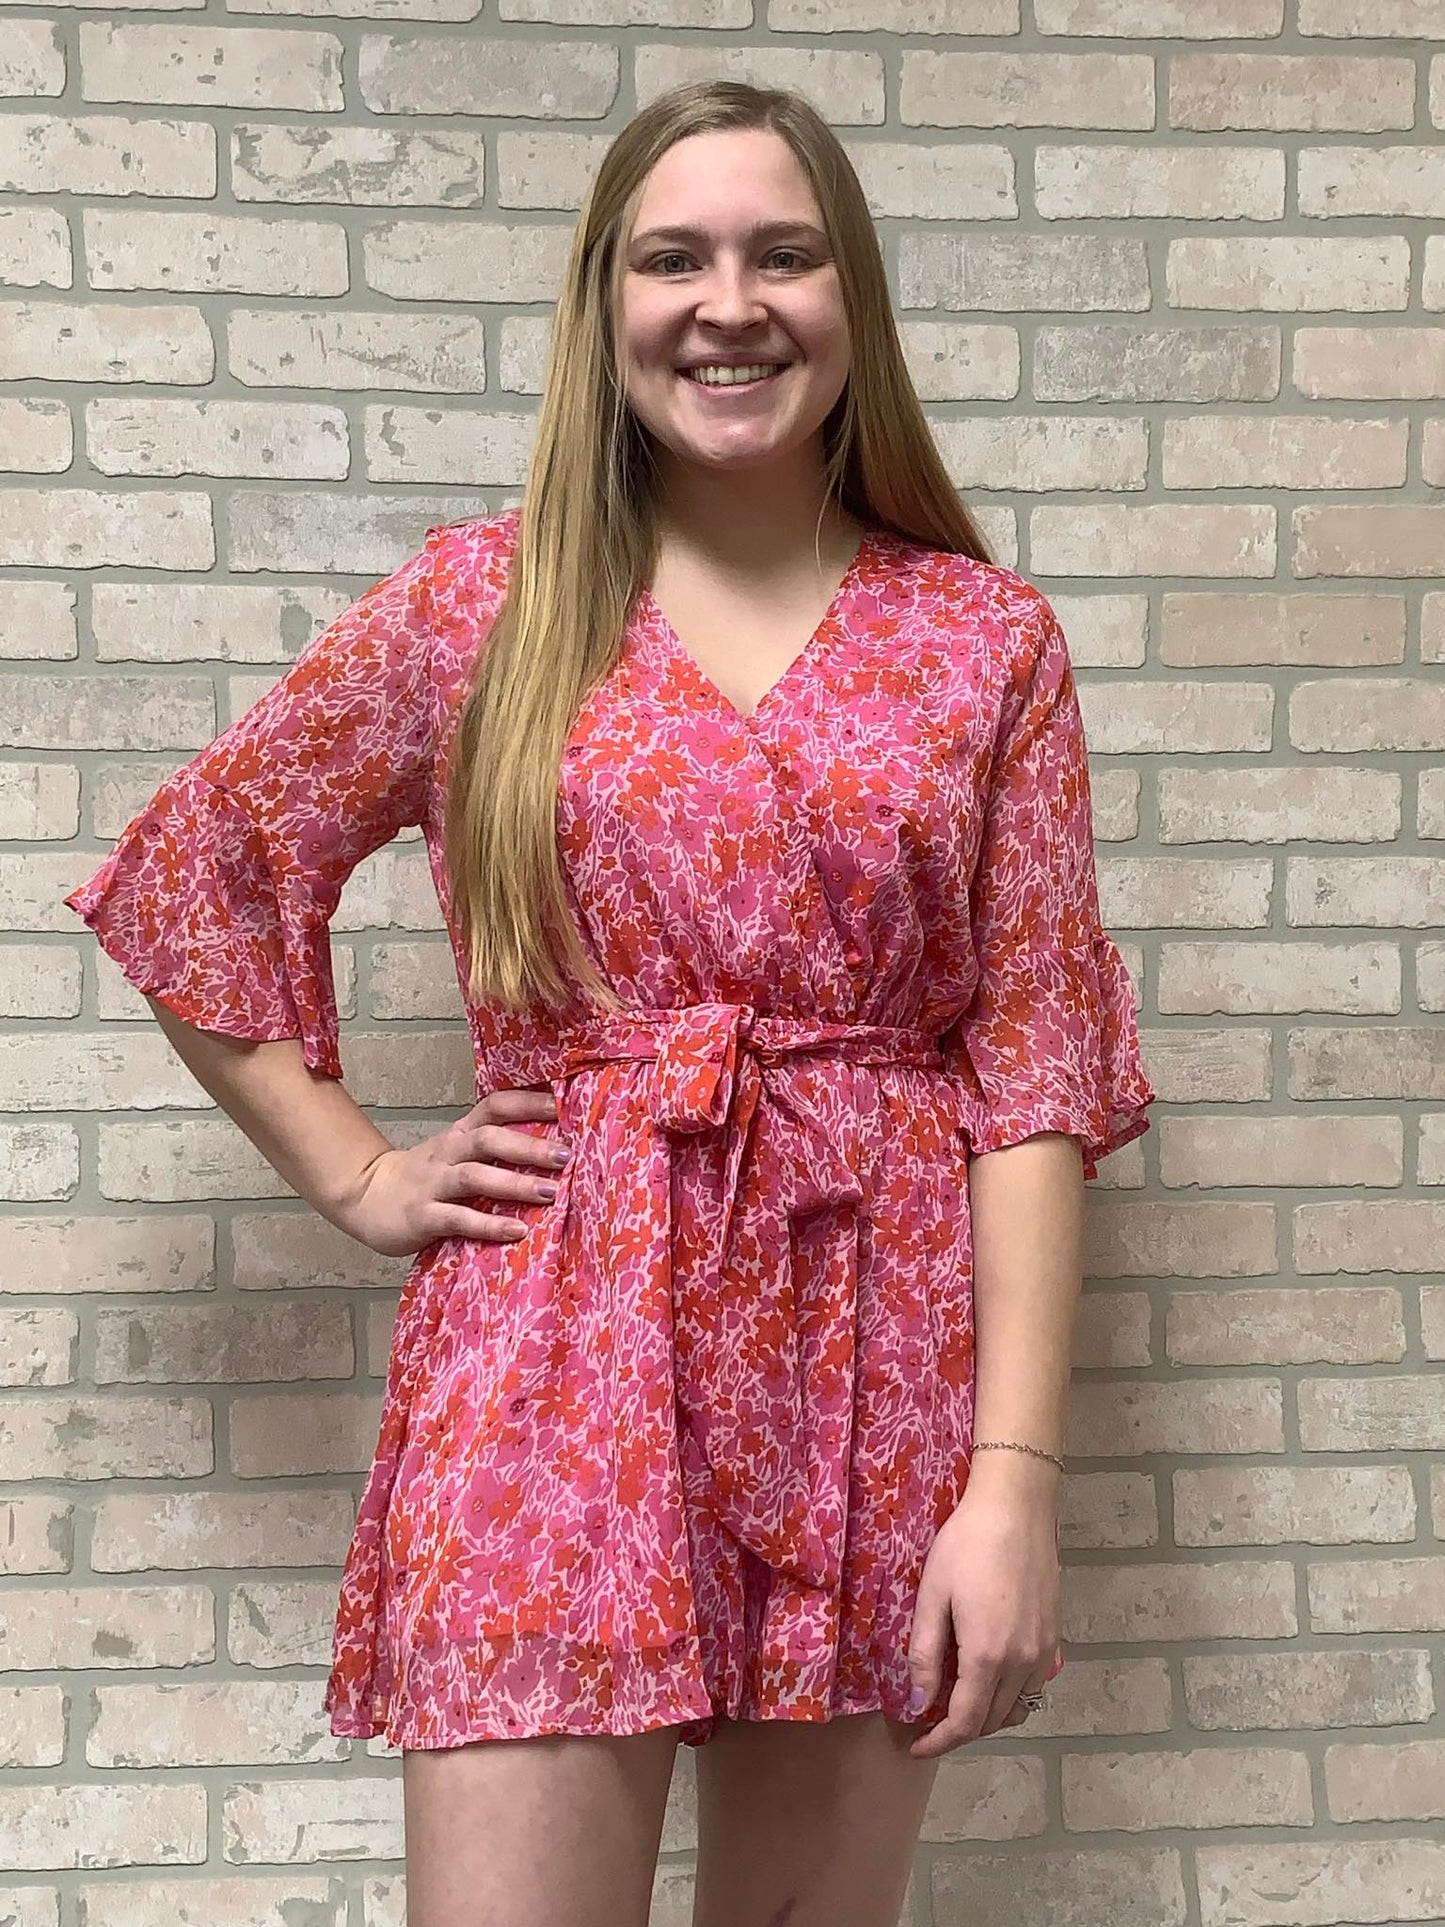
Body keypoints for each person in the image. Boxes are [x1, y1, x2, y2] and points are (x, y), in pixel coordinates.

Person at [63, 78, 1155, 1927]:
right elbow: (203, 869)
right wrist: (355, 1173)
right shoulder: (477, 608)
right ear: (605, 303)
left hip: (868, 1354)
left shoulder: (986, 639)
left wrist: (1012, 1488)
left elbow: (1032, 1074)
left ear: (849, 297)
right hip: (552, 1346)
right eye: (673, 258)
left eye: (781, 253)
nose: (728, 302)